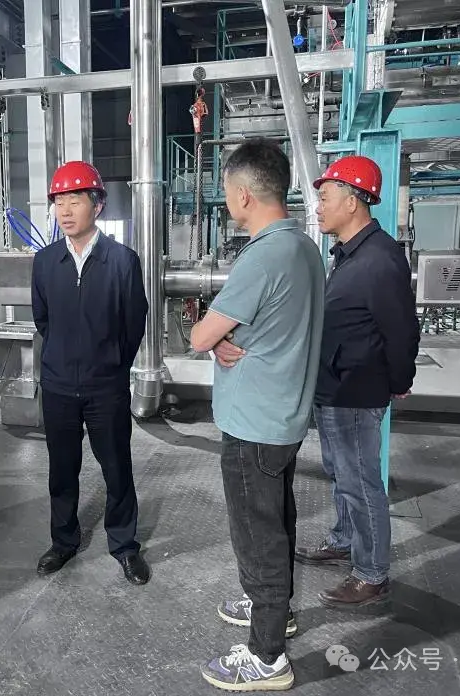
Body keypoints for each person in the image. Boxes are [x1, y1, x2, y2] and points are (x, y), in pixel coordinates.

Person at [189, 138, 325, 691]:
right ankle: (273, 607)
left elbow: (200, 336)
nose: (227, 200)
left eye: (226, 191)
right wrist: (227, 338)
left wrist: (213, 335)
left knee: (257, 533)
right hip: (284, 416)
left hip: (253, 422)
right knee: (277, 520)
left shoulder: (263, 256)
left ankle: (267, 656)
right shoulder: (304, 248)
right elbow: (268, 326)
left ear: (243, 194)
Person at [295, 155, 419, 608]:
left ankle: (371, 573)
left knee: (361, 482)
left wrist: (399, 379)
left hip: (355, 392)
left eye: (325, 197)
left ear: (352, 201)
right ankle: (345, 538)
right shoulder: (349, 254)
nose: (318, 207)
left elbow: (402, 331)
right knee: (342, 475)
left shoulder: (379, 259)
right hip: (334, 387)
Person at [30, 161, 151, 585]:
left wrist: (111, 364)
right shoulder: (45, 262)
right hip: (59, 386)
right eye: (59, 201)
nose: (65, 210)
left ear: (97, 205)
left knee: (117, 467)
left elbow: (134, 322)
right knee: (62, 470)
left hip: (106, 387)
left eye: (75, 200)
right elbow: (43, 320)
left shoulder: (122, 261)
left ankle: (124, 544)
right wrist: (64, 359)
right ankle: (63, 540)